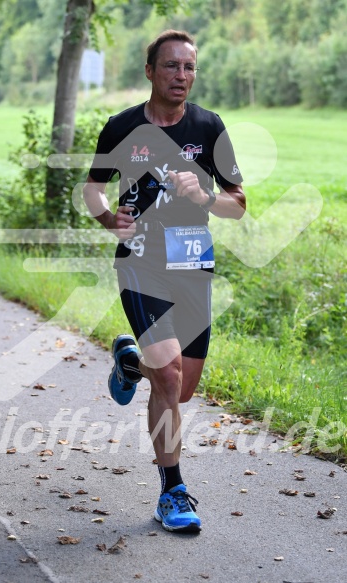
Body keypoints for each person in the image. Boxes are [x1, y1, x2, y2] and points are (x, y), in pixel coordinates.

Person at [85, 29, 246, 533]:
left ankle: (130, 360)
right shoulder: (121, 127)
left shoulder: (209, 126)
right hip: (140, 260)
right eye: (172, 66)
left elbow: (237, 205)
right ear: (150, 70)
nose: (182, 76)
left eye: (190, 68)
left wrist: (202, 197)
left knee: (183, 389)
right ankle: (171, 492)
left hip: (193, 259)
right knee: (170, 375)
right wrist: (110, 219)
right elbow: (92, 190)